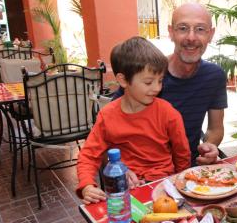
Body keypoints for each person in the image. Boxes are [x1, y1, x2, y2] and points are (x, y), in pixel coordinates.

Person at [76, 37, 191, 204]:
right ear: (123, 80)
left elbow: (182, 154)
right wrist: (87, 185)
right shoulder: (107, 115)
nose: (157, 88)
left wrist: (181, 184)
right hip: (124, 188)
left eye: (160, 81)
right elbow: (88, 155)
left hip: (164, 186)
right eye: (148, 82)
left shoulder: (168, 113)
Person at [113, 3, 228, 166]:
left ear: (211, 34)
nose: (191, 37)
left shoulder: (214, 76)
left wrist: (209, 146)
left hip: (189, 168)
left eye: (200, 29)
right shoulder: (146, 77)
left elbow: (215, 128)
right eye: (182, 28)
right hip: (144, 171)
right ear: (171, 32)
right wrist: (122, 167)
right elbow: (106, 133)